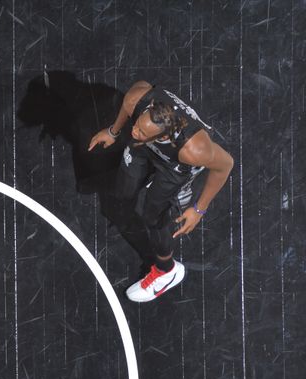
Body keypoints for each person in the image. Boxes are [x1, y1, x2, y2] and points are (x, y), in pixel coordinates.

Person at [88, 80, 234, 302]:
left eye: (141, 130)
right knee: (124, 192)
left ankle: (167, 270)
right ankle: (150, 175)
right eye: (137, 124)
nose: (134, 130)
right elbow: (131, 111)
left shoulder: (194, 150)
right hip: (146, 148)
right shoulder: (136, 100)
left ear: (163, 136)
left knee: (151, 215)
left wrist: (199, 209)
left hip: (176, 167)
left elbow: (225, 165)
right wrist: (113, 132)